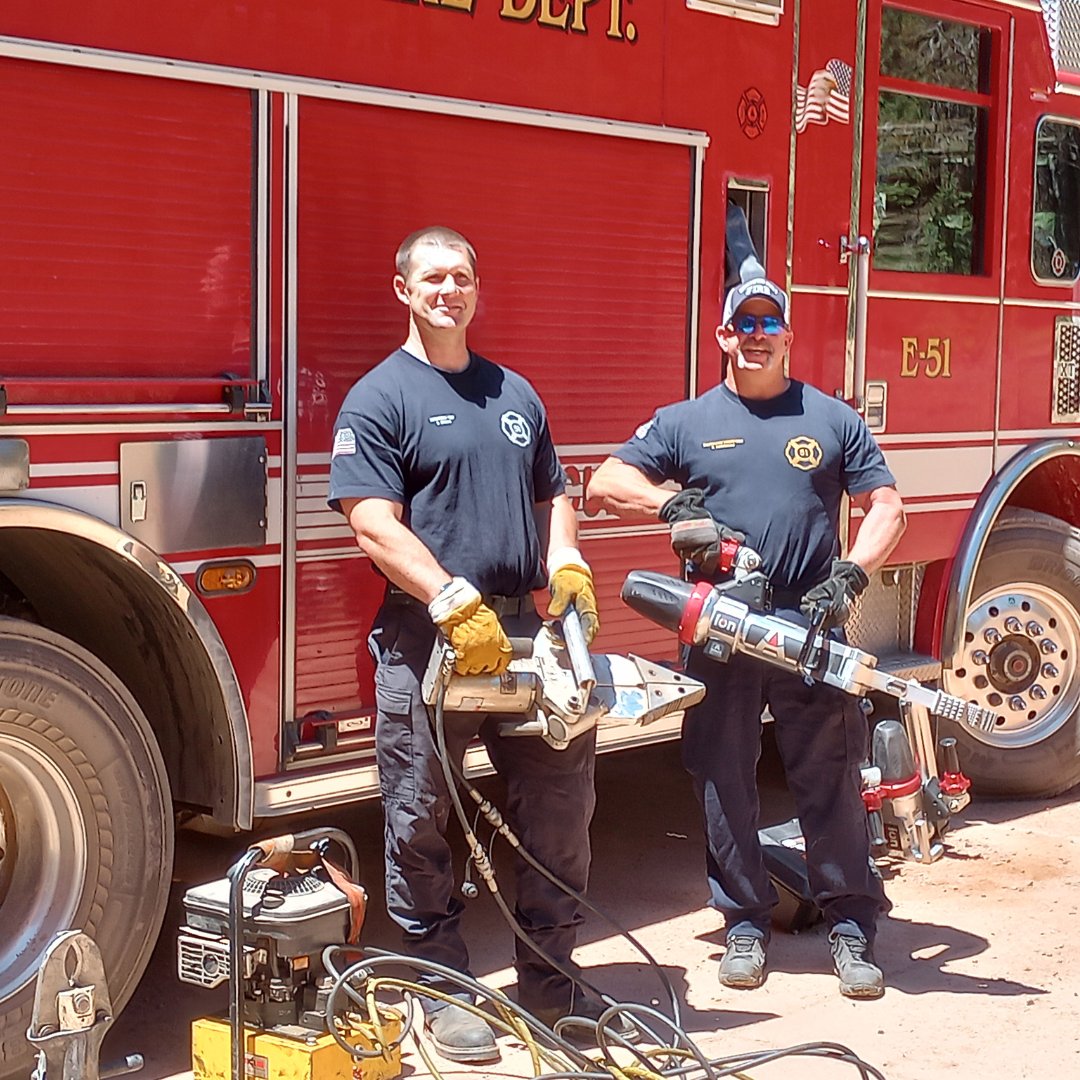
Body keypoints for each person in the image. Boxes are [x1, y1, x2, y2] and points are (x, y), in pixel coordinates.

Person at [587, 277, 906, 999]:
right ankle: (743, 925)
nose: (757, 334)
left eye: (770, 323)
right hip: (720, 626)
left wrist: (851, 574)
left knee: (829, 778)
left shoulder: (830, 418)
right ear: (724, 336)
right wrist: (668, 499)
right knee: (723, 778)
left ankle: (852, 926)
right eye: (743, 323)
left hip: (809, 623)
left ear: (788, 336)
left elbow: (888, 505)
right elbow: (605, 481)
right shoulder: (686, 421)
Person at [328, 226, 601, 1061]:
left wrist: (566, 560)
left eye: (462, 277)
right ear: (403, 291)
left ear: (478, 289)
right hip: (428, 640)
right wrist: (447, 596)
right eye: (433, 278)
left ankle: (554, 989)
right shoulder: (380, 399)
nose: (450, 289)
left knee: (560, 815)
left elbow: (556, 492)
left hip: (526, 637)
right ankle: (441, 991)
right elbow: (370, 520)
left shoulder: (515, 394)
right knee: (419, 821)